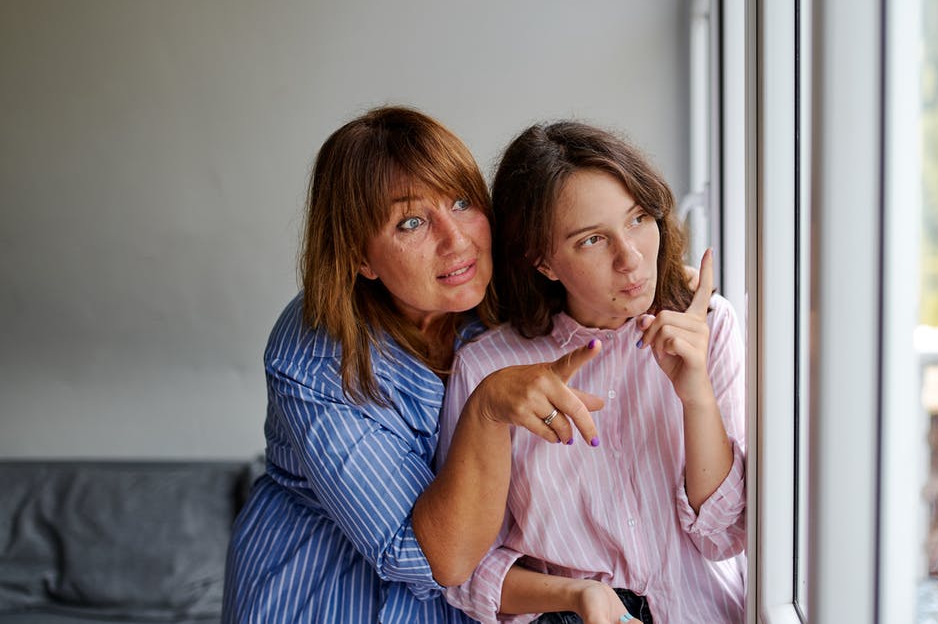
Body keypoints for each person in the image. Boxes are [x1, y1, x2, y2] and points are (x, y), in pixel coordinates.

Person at [222, 107, 609, 622]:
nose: (457, 240)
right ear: (360, 256)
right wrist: (487, 407)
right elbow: (428, 556)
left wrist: (667, 290)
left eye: (461, 201)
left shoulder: (511, 288)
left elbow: (605, 290)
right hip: (319, 595)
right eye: (412, 223)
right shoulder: (315, 357)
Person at [439, 121, 747, 624]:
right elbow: (469, 571)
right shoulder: (488, 369)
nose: (631, 258)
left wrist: (696, 396)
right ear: (542, 261)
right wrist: (579, 595)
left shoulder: (711, 326)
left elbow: (724, 536)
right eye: (591, 240)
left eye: (638, 219)